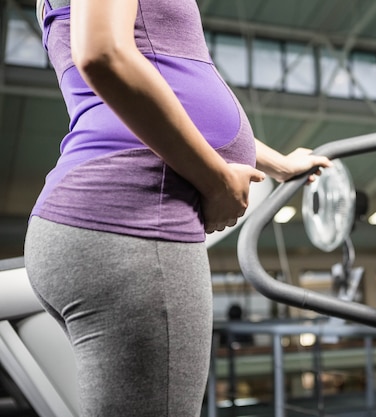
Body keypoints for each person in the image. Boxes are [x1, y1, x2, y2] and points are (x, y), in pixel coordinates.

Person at [24, 0, 331, 416]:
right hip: (132, 223)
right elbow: (105, 55)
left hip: (100, 221)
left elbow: (159, 93)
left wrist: (278, 164)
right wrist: (217, 182)